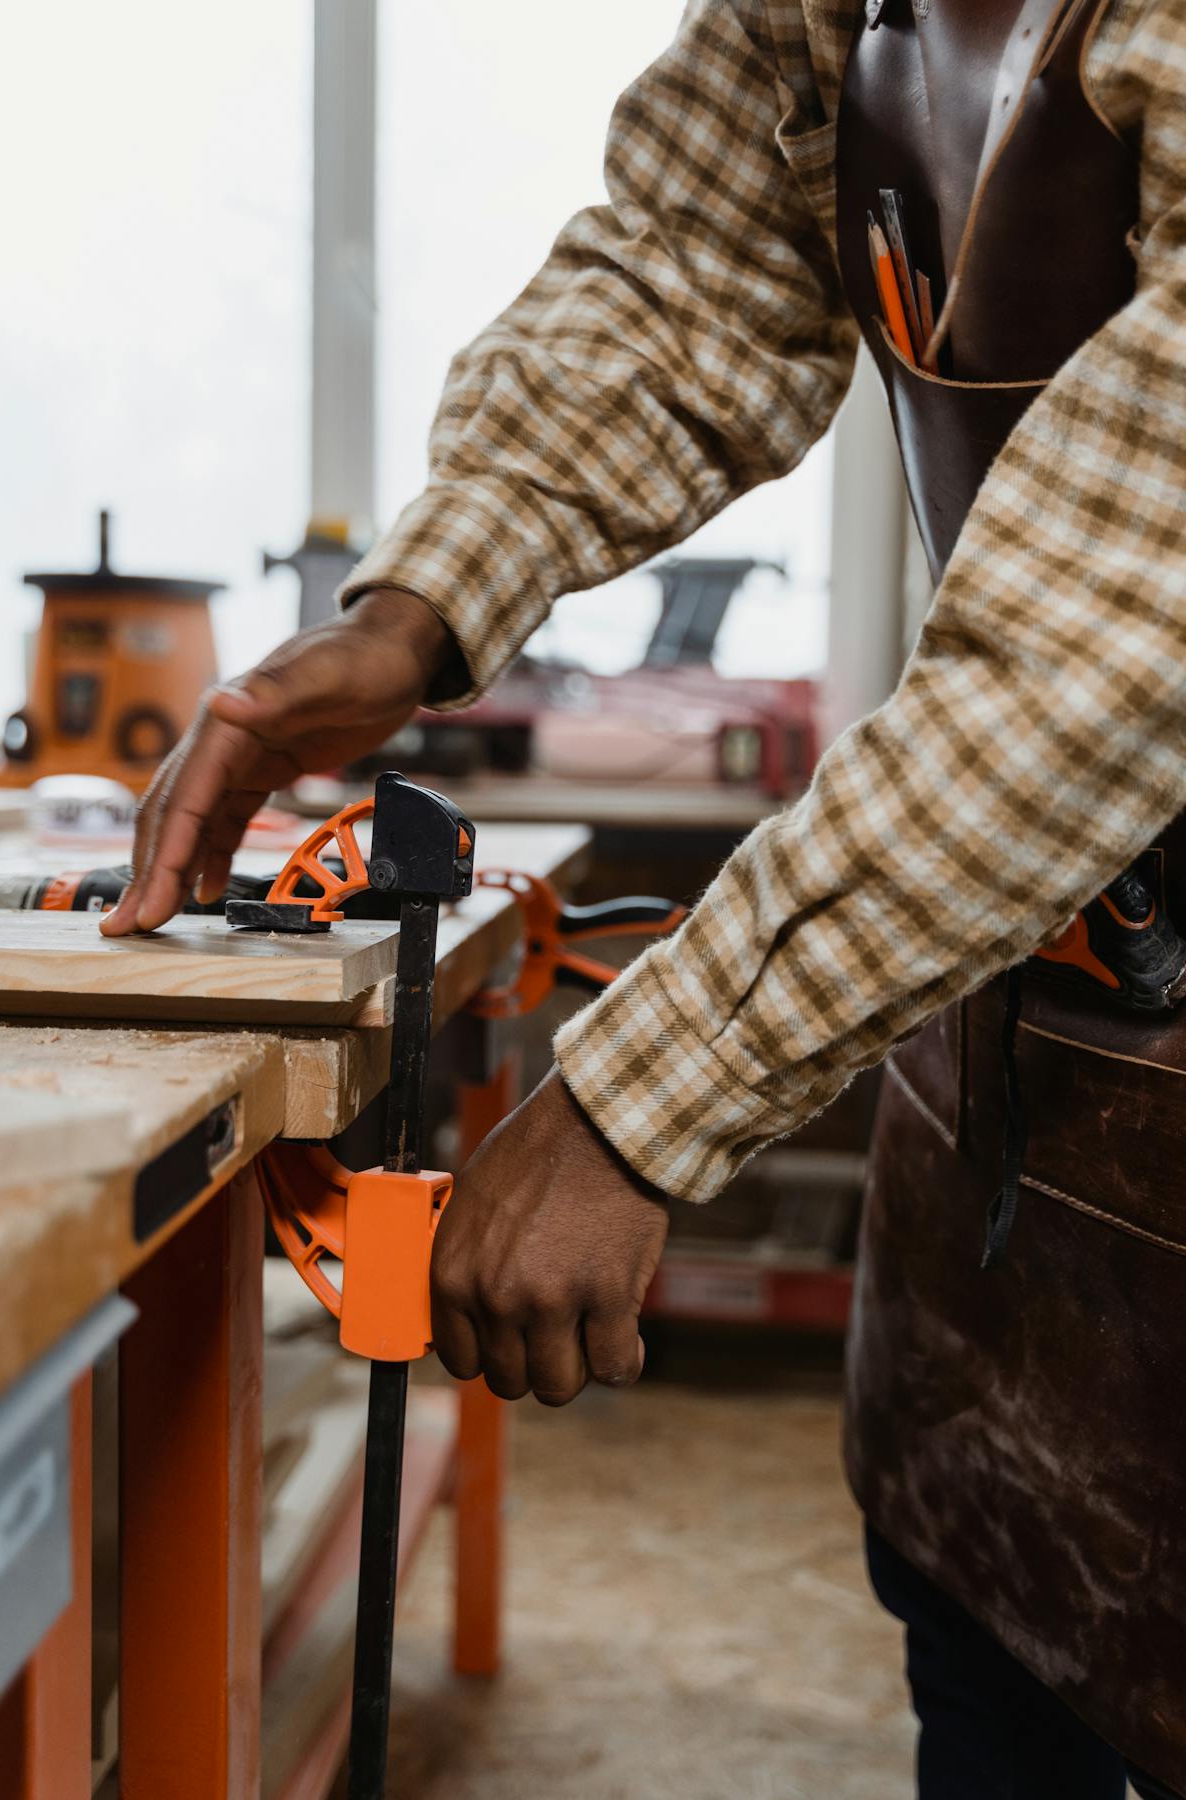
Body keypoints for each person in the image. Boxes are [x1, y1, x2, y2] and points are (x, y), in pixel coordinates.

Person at [103, 2, 1186, 1793]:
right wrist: (419, 610)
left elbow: (1114, 642)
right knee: (989, 1652)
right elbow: (687, 280)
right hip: (1018, 1067)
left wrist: (627, 1106)